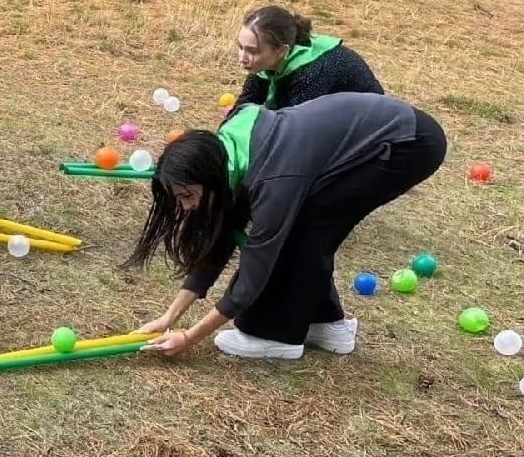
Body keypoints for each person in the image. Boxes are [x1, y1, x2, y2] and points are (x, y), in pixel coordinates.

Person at [128, 92, 446, 361]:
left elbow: (256, 270)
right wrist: (170, 317)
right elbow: (221, 238)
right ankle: (326, 324)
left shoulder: (273, 182)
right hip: (380, 133)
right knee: (305, 228)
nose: (186, 208)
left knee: (304, 229)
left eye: (189, 196)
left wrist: (191, 337)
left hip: (408, 143)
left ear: (210, 179)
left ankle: (277, 336)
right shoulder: (225, 153)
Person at [230, 5, 383, 111]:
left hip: (367, 128)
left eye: (253, 51)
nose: (242, 58)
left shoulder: (311, 72)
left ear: (281, 50)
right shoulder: (265, 63)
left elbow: (292, 130)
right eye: (240, 47)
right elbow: (244, 107)